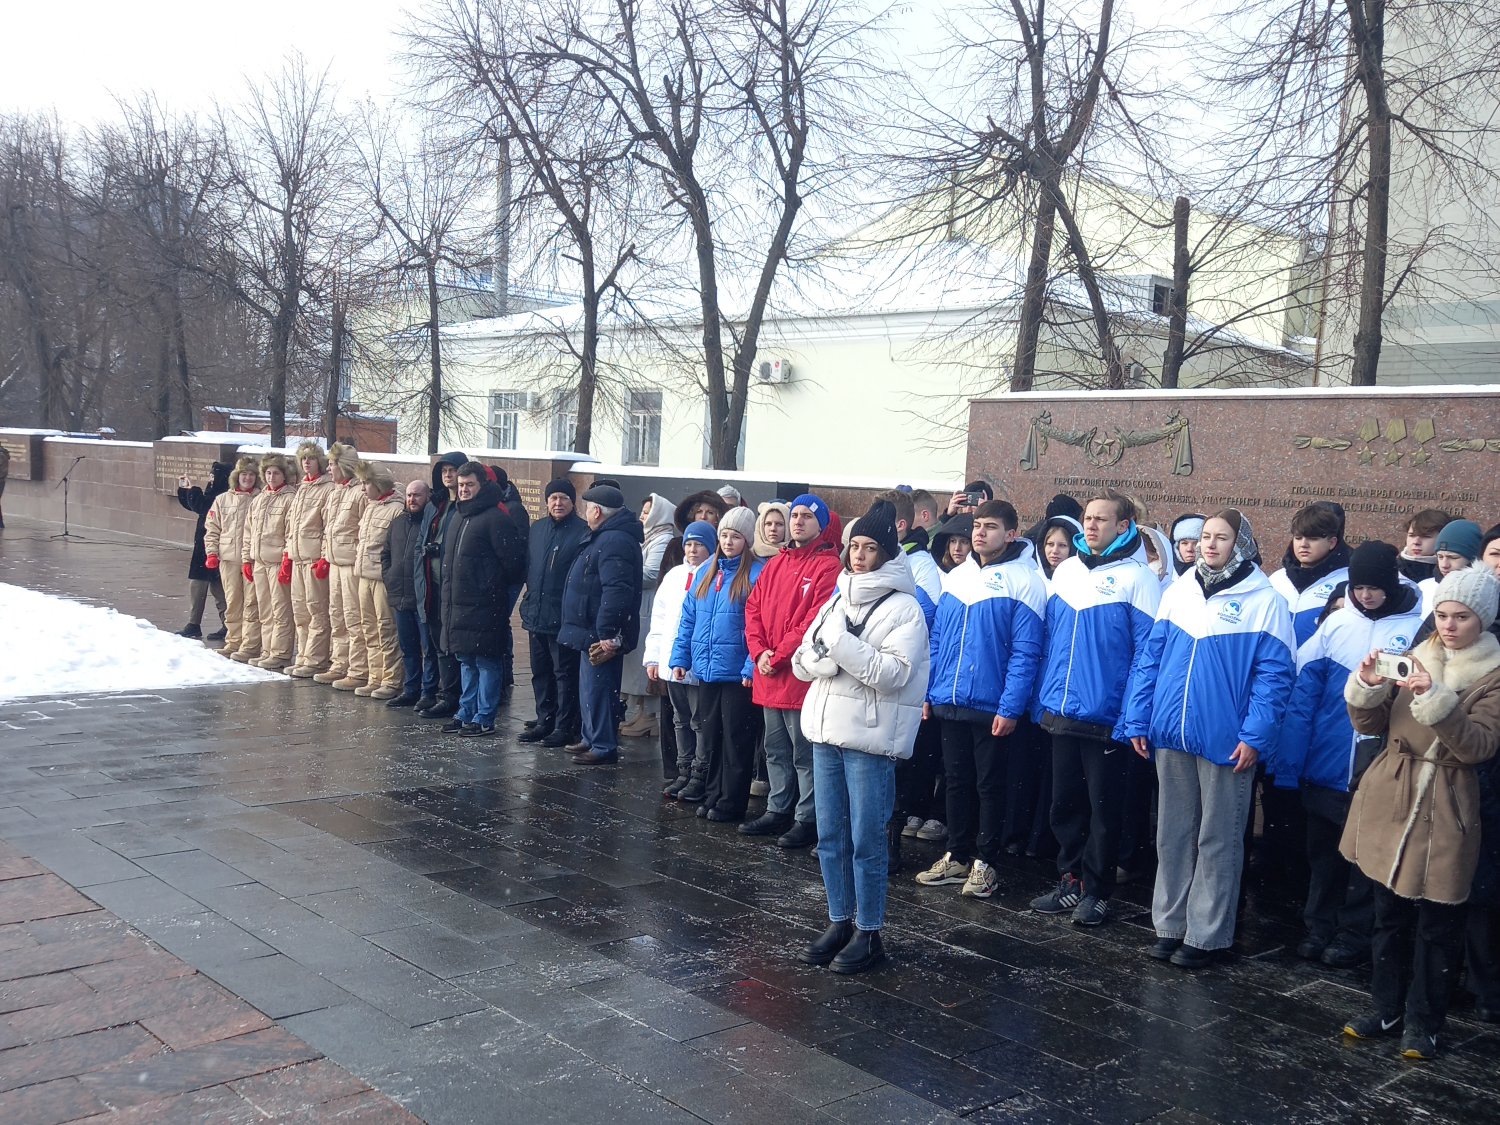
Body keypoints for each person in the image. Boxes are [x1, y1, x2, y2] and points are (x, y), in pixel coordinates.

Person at [1122, 510, 1295, 968]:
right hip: (1171, 732)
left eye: (1221, 538)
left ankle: (1207, 934)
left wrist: (1255, 734)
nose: (1209, 545)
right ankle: (1170, 926)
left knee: (1218, 838)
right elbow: (1151, 658)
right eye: (1205, 537)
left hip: (1227, 740)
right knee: (1173, 834)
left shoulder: (1265, 600)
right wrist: (1138, 716)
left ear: (1241, 544)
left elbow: (1274, 676)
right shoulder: (1178, 590)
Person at [1340, 567, 1500, 1059]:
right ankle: (1386, 1006)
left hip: (1449, 801)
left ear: (1485, 620)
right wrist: (1366, 684)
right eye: (1443, 614)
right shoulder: (1414, 656)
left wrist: (1435, 697)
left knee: (1439, 921)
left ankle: (1425, 1022)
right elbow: (1370, 723)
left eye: (1462, 617)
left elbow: (1478, 745)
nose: (1448, 625)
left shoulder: (1493, 676)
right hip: (1394, 793)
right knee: (1388, 911)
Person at [794, 500, 930, 974]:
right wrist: (829, 656)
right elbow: (802, 659)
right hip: (827, 730)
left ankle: (870, 931)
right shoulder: (837, 597)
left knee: (866, 840)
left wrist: (839, 646)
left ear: (887, 553)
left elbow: (894, 674)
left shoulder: (904, 608)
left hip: (869, 739)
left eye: (870, 548)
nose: (858, 555)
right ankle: (839, 921)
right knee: (830, 835)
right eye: (854, 546)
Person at [1279, 540, 1423, 968]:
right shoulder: (1337, 624)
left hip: (1377, 764)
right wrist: (1292, 760)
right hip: (1327, 760)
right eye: (1359, 587)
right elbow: (1304, 692)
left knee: (1365, 858)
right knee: (1324, 854)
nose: (1366, 595)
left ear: (1391, 583)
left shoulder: (1415, 628)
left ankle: (1354, 933)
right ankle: (1318, 924)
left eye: (1375, 588)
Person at [1032, 489, 1162, 925]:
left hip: (1107, 714)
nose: (1090, 525)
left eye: (1102, 520)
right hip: (1062, 710)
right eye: (1088, 518)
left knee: (1104, 810)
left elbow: (1147, 653)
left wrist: (1132, 713)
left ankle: (1097, 890)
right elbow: (1050, 640)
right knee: (1064, 804)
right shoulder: (1067, 570)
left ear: (1123, 526)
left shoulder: (1138, 578)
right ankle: (1070, 880)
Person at [914, 499, 1047, 899]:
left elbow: (1026, 652)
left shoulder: (1025, 580)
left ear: (1010, 534)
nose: (979, 533)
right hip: (949, 698)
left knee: (990, 785)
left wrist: (1010, 706)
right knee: (956, 781)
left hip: (991, 705)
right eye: (977, 525)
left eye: (990, 526)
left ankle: (986, 862)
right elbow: (936, 640)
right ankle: (957, 853)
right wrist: (928, 690)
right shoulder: (957, 576)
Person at [742, 493, 843, 847]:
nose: (797, 522)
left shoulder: (828, 566)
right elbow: (753, 609)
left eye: (806, 517)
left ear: (821, 524)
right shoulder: (776, 563)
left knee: (803, 752)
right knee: (775, 749)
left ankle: (806, 817)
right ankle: (777, 808)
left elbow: (812, 621)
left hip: (798, 675)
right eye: (794, 515)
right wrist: (759, 654)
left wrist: (778, 654)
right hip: (769, 671)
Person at [671, 505, 764, 819]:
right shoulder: (706, 571)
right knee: (710, 737)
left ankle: (731, 801)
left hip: (737, 672)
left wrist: (752, 665)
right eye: (724, 534)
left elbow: (759, 626)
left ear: (747, 540)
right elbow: (688, 619)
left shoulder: (756, 573)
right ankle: (712, 794)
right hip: (708, 668)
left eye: (735, 536)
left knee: (736, 739)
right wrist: (680, 657)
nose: (728, 541)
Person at [438, 462, 526, 737]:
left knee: (486, 662)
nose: (464, 490)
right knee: (466, 660)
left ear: (482, 486)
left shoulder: (496, 518)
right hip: (459, 604)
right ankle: (466, 712)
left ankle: (484, 716)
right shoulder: (458, 516)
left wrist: (488, 586)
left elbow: (513, 564)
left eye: (470, 485)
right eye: (461, 485)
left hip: (486, 604)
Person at [559, 484, 645, 764]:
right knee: (590, 687)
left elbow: (616, 590)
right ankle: (591, 737)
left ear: (596, 510)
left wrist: (607, 632)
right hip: (591, 627)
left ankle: (603, 745)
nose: (585, 513)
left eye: (587, 507)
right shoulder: (607, 537)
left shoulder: (614, 540)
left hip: (600, 631)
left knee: (600, 688)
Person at [518, 479, 590, 747]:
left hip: (564, 617)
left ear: (573, 502)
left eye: (563, 498)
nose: (558, 503)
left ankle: (564, 725)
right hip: (536, 613)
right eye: (553, 498)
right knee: (540, 672)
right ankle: (543, 720)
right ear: (546, 502)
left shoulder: (582, 532)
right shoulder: (537, 529)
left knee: (564, 675)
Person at [650, 521, 716, 798]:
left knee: (698, 721)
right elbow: (660, 617)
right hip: (671, 661)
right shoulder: (675, 575)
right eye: (688, 544)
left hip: (697, 663)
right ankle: (683, 769)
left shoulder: (714, 575)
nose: (692, 550)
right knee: (680, 719)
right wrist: (653, 656)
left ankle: (700, 774)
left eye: (699, 544)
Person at [414, 451, 469, 718]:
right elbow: (421, 542)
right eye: (444, 470)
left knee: (452, 644)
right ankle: (438, 692)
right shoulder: (435, 505)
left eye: (453, 470)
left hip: (455, 586)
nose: (448, 475)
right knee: (436, 642)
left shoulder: (465, 505)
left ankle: (454, 695)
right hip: (432, 582)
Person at [621, 492, 676, 738]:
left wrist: (623, 571)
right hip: (641, 603)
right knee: (638, 663)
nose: (643, 516)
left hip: (649, 604)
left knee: (647, 662)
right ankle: (643, 712)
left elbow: (651, 574)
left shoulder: (662, 538)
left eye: (647, 512)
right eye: (642, 512)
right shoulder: (649, 537)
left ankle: (649, 716)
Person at [315, 443, 369, 689]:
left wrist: (357, 560)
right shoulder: (336, 492)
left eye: (332, 464)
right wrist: (326, 556)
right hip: (335, 563)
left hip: (351, 566)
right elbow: (329, 529)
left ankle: (358, 669)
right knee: (337, 616)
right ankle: (340, 663)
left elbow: (363, 531)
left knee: (354, 618)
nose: (328, 468)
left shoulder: (360, 492)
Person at [352, 463, 405, 701]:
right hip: (364, 576)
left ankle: (392, 679)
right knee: (368, 628)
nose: (363, 488)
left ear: (379, 484)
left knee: (387, 629)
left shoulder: (396, 510)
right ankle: (375, 676)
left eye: (366, 483)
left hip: (382, 580)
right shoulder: (370, 506)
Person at [282, 442, 336, 678]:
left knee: (317, 610)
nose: (306, 462)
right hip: (298, 557)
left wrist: (324, 556)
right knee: (300, 611)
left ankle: (316, 659)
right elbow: (291, 526)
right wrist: (287, 553)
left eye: (311, 459)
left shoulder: (327, 488)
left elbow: (327, 526)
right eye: (303, 458)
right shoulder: (302, 488)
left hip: (313, 558)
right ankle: (303, 655)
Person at [244, 453, 298, 671]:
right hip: (260, 561)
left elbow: (290, 532)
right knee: (265, 609)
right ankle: (267, 649)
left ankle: (281, 652)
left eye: (276, 473)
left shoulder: (289, 498)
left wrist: (286, 558)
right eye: (268, 473)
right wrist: (246, 559)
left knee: (280, 609)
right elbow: (248, 531)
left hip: (276, 561)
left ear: (284, 475)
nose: (271, 477)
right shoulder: (259, 499)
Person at [1270, 503, 1351, 647]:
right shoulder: (1276, 580)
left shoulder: (1348, 583)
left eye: (1313, 538)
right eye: (1298, 537)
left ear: (1332, 542)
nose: (1303, 544)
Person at [382, 478, 432, 708]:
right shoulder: (398, 522)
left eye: (417, 495)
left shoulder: (432, 523)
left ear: (427, 497)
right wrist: (389, 576)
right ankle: (411, 688)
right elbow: (387, 553)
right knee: (408, 648)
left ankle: (429, 691)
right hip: (400, 595)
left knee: (428, 648)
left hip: (422, 597)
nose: (412, 499)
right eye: (410, 495)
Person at [203, 458, 260, 658]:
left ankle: (250, 643)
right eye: (244, 474)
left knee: (252, 603)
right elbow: (212, 528)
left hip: (252, 559)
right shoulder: (222, 499)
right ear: (237, 476)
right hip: (228, 559)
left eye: (252, 474)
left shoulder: (259, 498)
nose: (248, 478)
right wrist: (211, 552)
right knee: (233, 602)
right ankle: (233, 641)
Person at [487, 465, 531, 703]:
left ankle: (506, 671)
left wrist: (507, 572)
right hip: (499, 576)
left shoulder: (514, 509)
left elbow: (518, 547)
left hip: (509, 578)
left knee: (501, 623)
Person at [174, 463, 231, 640]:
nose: (211, 479)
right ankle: (196, 623)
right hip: (203, 546)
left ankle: (226, 625)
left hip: (215, 546)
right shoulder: (214, 491)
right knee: (201, 586)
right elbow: (195, 505)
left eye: (213, 476)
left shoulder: (223, 494)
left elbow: (204, 506)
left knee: (218, 588)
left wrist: (193, 490)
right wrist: (186, 491)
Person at [1418, 519, 1481, 615]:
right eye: (1440, 557)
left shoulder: (1484, 594)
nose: (1444, 564)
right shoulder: (1423, 588)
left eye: (1453, 557)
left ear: (1473, 559)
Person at [1398, 508, 1451, 584]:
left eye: (1425, 536)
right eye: (1411, 535)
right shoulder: (1392, 571)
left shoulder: (1453, 574)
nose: (1416, 542)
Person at [1036, 515, 1081, 589]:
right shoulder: (1033, 578)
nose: (1055, 551)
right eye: (1050, 544)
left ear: (1073, 549)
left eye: (1062, 545)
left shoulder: (1080, 582)